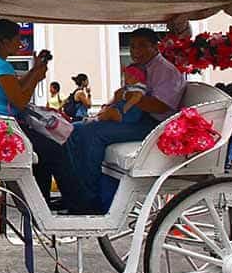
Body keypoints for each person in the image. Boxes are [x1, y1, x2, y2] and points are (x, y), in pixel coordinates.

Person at [63, 28, 186, 214]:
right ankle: (76, 194)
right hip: (135, 118)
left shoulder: (165, 71)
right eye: (133, 46)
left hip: (154, 125)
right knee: (73, 129)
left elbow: (160, 106)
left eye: (142, 46)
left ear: (156, 46)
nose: (136, 51)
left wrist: (129, 96)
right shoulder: (140, 69)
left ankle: (90, 199)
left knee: (92, 134)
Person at [0, 19, 71, 205]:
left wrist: (35, 71)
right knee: (54, 150)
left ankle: (42, 201)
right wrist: (35, 77)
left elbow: (16, 88)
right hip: (1, 129)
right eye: (17, 39)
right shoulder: (0, 66)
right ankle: (68, 201)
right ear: (4, 42)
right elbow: (20, 100)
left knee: (45, 151)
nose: (20, 43)